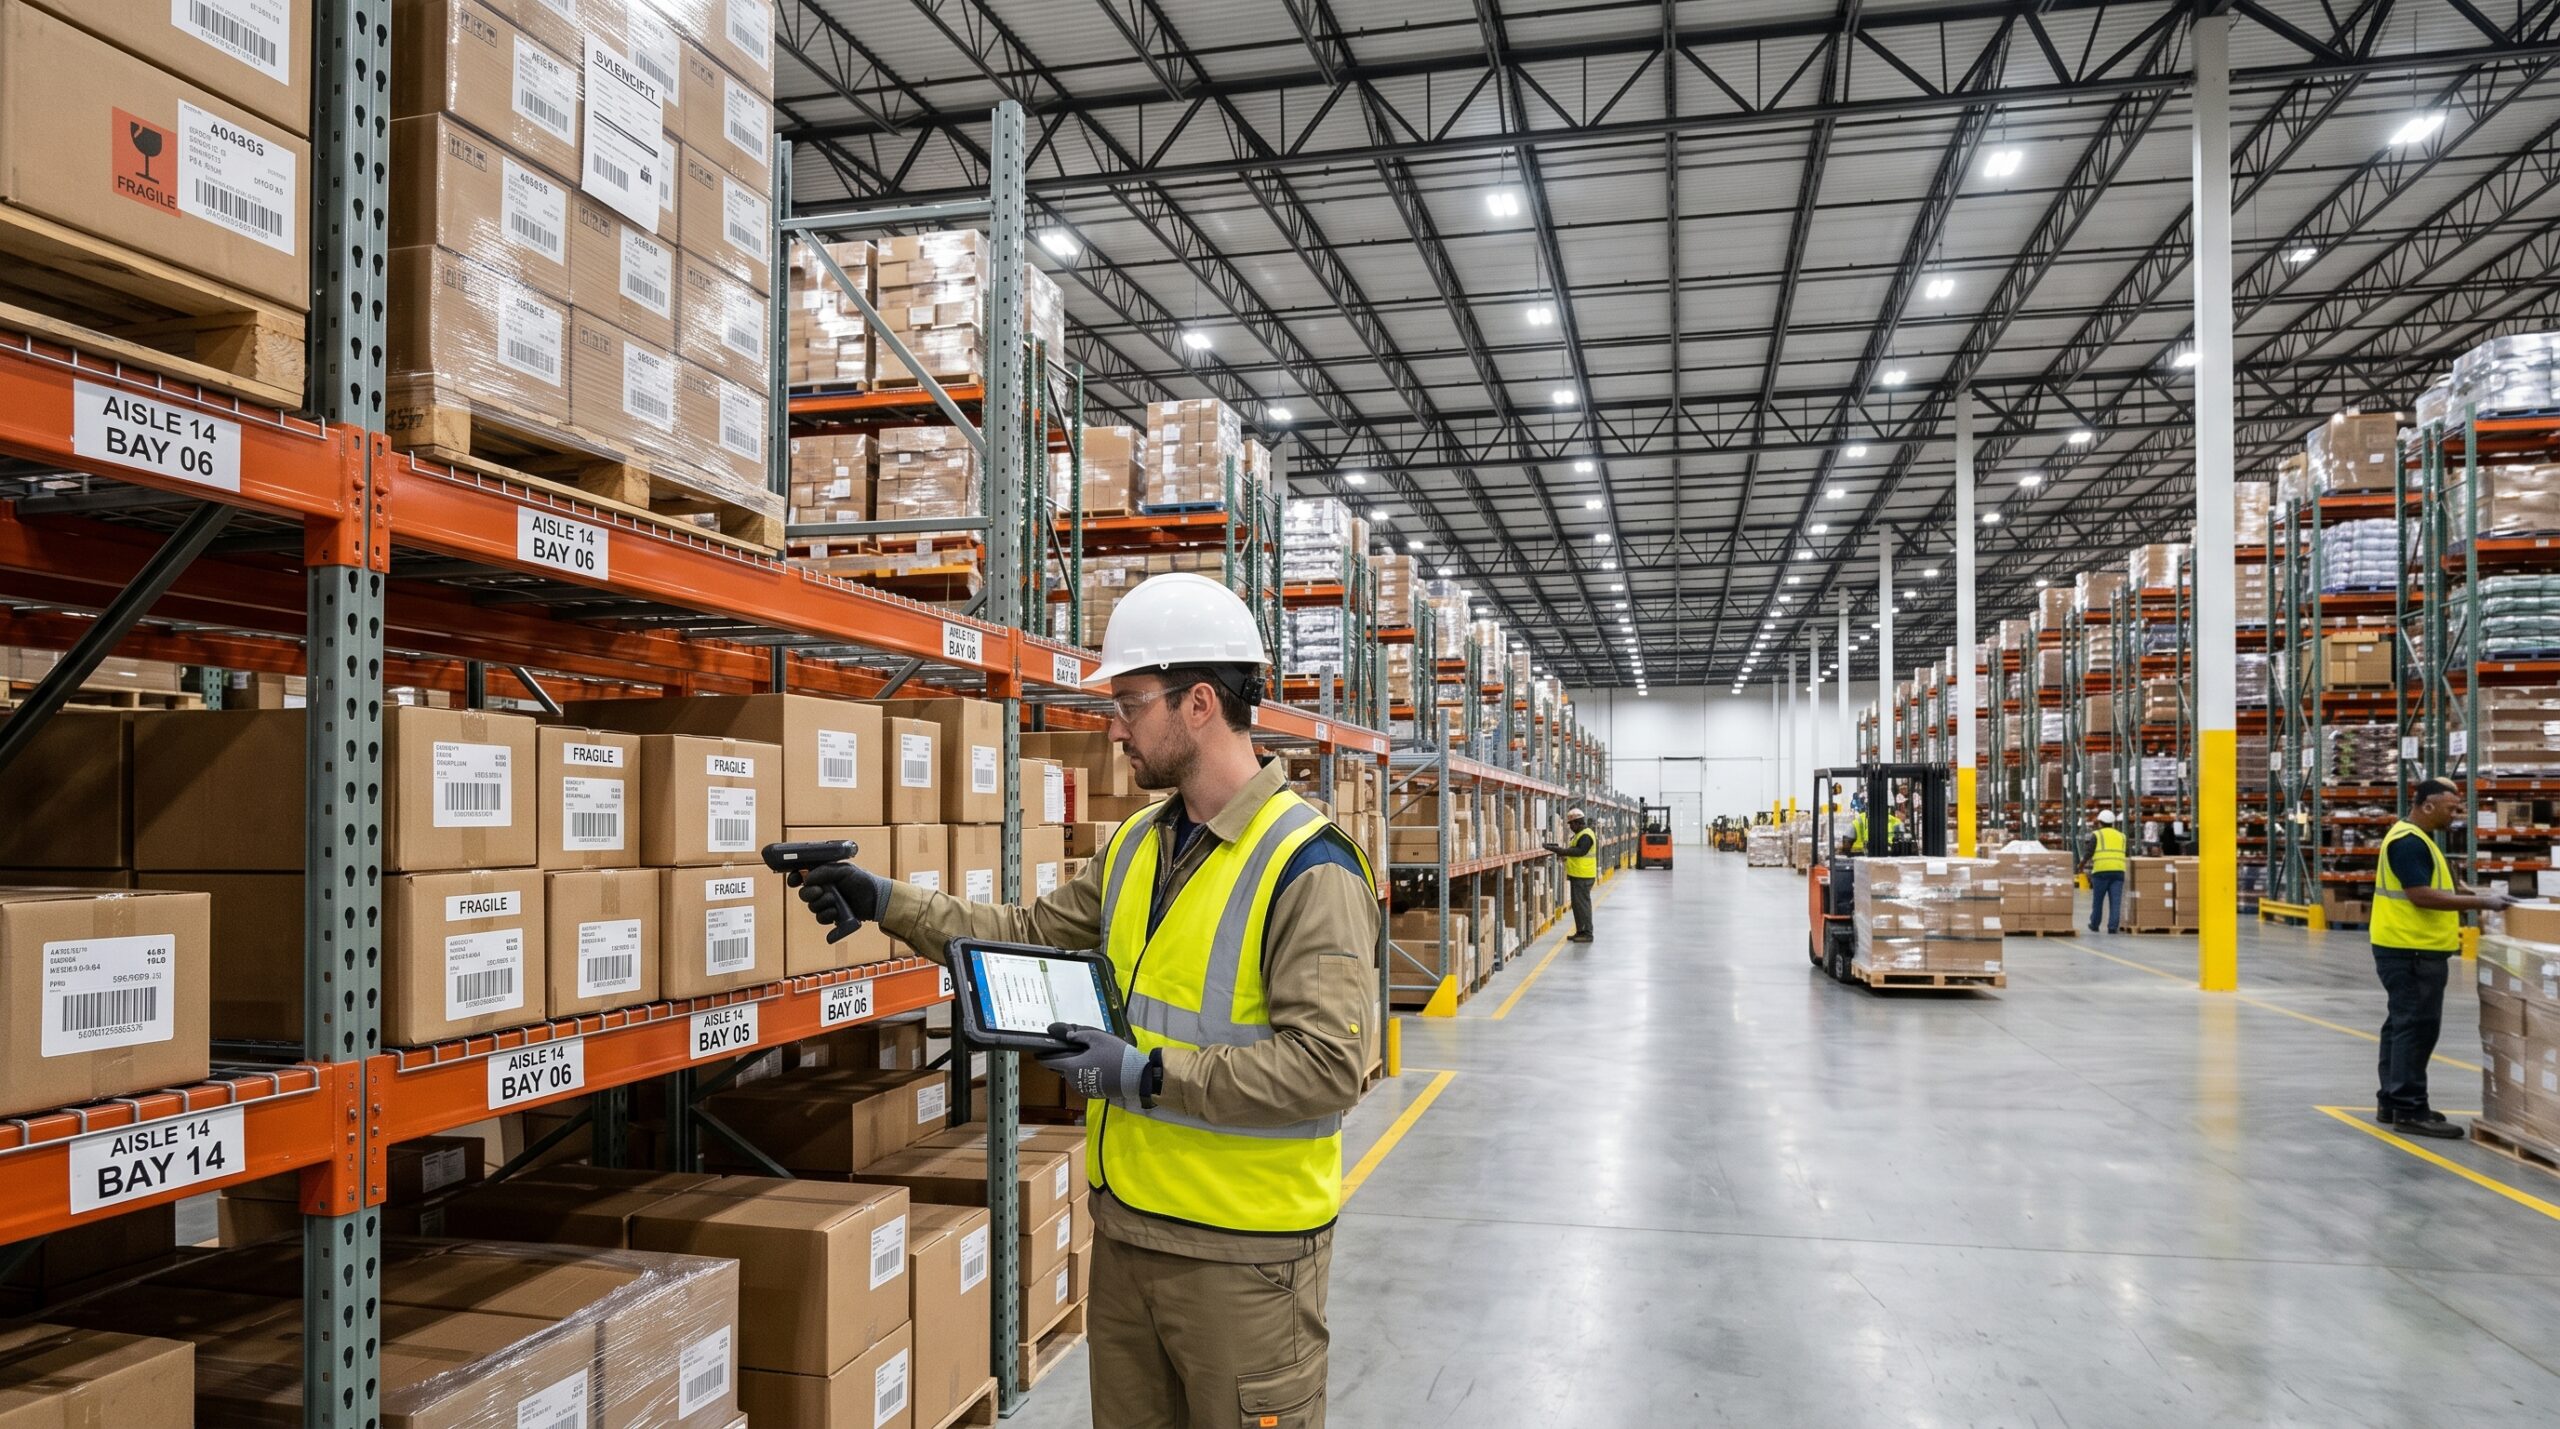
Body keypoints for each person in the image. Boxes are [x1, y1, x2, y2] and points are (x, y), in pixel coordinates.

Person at [790, 572, 1378, 1426]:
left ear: (1200, 703)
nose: (1114, 728)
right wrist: (883, 899)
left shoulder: (1309, 865)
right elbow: (1027, 929)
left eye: (1131, 703)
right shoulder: (1141, 841)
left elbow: (1326, 1069)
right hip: (1130, 1236)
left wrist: (1144, 1076)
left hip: (1245, 1262)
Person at [2372, 779, 2512, 1138]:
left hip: (2407, 946)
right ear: (2428, 806)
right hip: (2412, 949)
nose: (2456, 813)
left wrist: (2464, 891)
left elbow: (2434, 886)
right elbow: (2421, 896)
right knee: (2416, 1028)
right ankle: (2409, 1108)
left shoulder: (2417, 839)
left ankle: (2393, 1101)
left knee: (2401, 1025)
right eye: (2452, 807)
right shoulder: (2408, 842)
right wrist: (2482, 903)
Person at [1541, 808, 1598, 942]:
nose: (1571, 827)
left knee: (1583, 905)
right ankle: (1580, 931)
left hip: (1584, 876)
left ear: (1578, 823)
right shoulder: (1580, 835)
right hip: (1577, 875)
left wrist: (1560, 850)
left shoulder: (1586, 835)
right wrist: (1561, 851)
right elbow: (1574, 852)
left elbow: (1579, 851)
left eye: (1572, 824)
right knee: (1577, 905)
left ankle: (1587, 933)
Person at [2084, 810, 2128, 934]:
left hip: (2101, 871)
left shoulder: (2097, 835)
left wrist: (2081, 865)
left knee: (2098, 900)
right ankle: (2113, 927)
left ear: (2100, 822)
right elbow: (2126, 853)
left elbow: (2089, 852)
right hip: (2118, 872)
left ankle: (2094, 924)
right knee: (2115, 901)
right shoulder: (2122, 836)